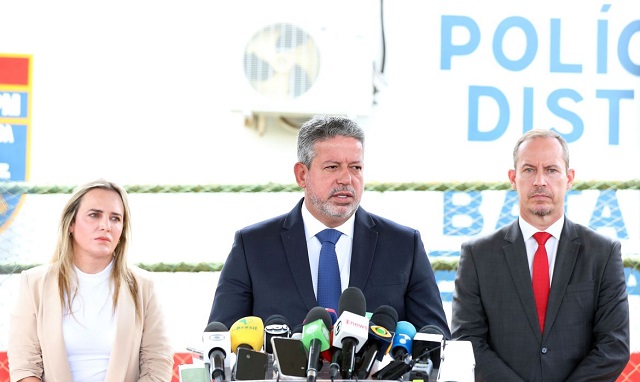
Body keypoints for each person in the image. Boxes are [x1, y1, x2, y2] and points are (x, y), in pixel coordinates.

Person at [208, 115, 450, 337]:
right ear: (302, 175)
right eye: (332, 167)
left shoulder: (403, 245)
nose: (346, 179)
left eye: (355, 167)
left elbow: (435, 338)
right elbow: (220, 339)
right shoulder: (253, 246)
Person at [451, 129, 630, 381]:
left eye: (551, 170)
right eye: (529, 170)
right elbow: (466, 340)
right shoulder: (477, 255)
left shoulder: (603, 252)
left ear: (569, 178)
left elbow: (614, 345)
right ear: (513, 178)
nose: (540, 181)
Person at [8, 179, 174, 382]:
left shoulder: (144, 287)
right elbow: (24, 366)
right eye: (94, 215)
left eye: (115, 218)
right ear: (71, 224)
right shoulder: (33, 284)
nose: (105, 226)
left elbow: (157, 364)